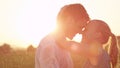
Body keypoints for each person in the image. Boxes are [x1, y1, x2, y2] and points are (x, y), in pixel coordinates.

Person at [35, 3, 90, 68]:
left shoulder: (62, 44)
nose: (80, 32)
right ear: (69, 20)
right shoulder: (49, 45)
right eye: (80, 27)